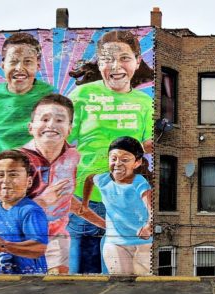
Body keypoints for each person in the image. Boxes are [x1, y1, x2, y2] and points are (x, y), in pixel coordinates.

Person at [66, 30, 153, 273]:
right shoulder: (81, 95)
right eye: (107, 59)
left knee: (117, 274)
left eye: (124, 58)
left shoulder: (145, 102)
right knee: (81, 273)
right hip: (86, 200)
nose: (116, 66)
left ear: (137, 61)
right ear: (99, 63)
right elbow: (63, 139)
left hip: (125, 203)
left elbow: (147, 144)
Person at [20, 94, 105, 274]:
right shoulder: (16, 160)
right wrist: (42, 201)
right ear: (30, 127)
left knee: (58, 291)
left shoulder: (73, 157)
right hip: (21, 237)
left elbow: (67, 200)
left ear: (69, 129)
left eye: (59, 120)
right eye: (44, 119)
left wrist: (105, 224)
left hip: (57, 236)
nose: (51, 124)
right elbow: (5, 212)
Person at [0, 32, 54, 159]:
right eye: (13, 61)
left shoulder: (48, 95)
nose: (19, 67)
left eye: (27, 62)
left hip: (35, 169)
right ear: (3, 65)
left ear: (37, 66)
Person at [81, 137, 152, 275]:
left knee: (142, 282)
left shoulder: (139, 183)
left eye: (125, 160)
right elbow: (89, 179)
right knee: (122, 280)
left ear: (137, 163)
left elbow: (151, 207)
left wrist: (149, 226)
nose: (118, 163)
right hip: (116, 242)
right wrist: (85, 203)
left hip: (143, 242)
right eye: (113, 159)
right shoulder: (103, 180)